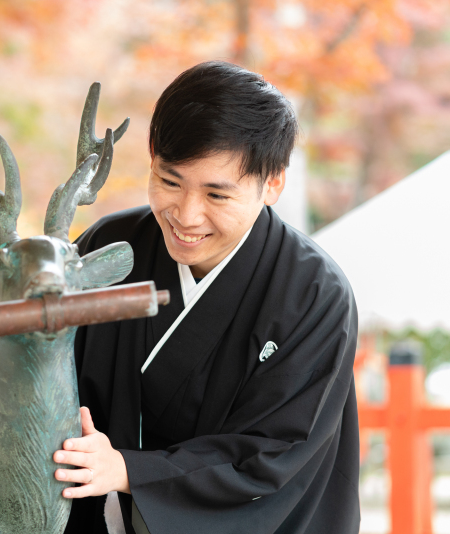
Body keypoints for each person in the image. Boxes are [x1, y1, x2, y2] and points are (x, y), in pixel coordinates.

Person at [54, 61, 359, 533]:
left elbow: (273, 452)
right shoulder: (111, 247)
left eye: (217, 196)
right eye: (170, 182)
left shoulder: (313, 294)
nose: (186, 215)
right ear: (152, 158)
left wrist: (129, 470)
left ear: (273, 183)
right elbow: (40, 364)